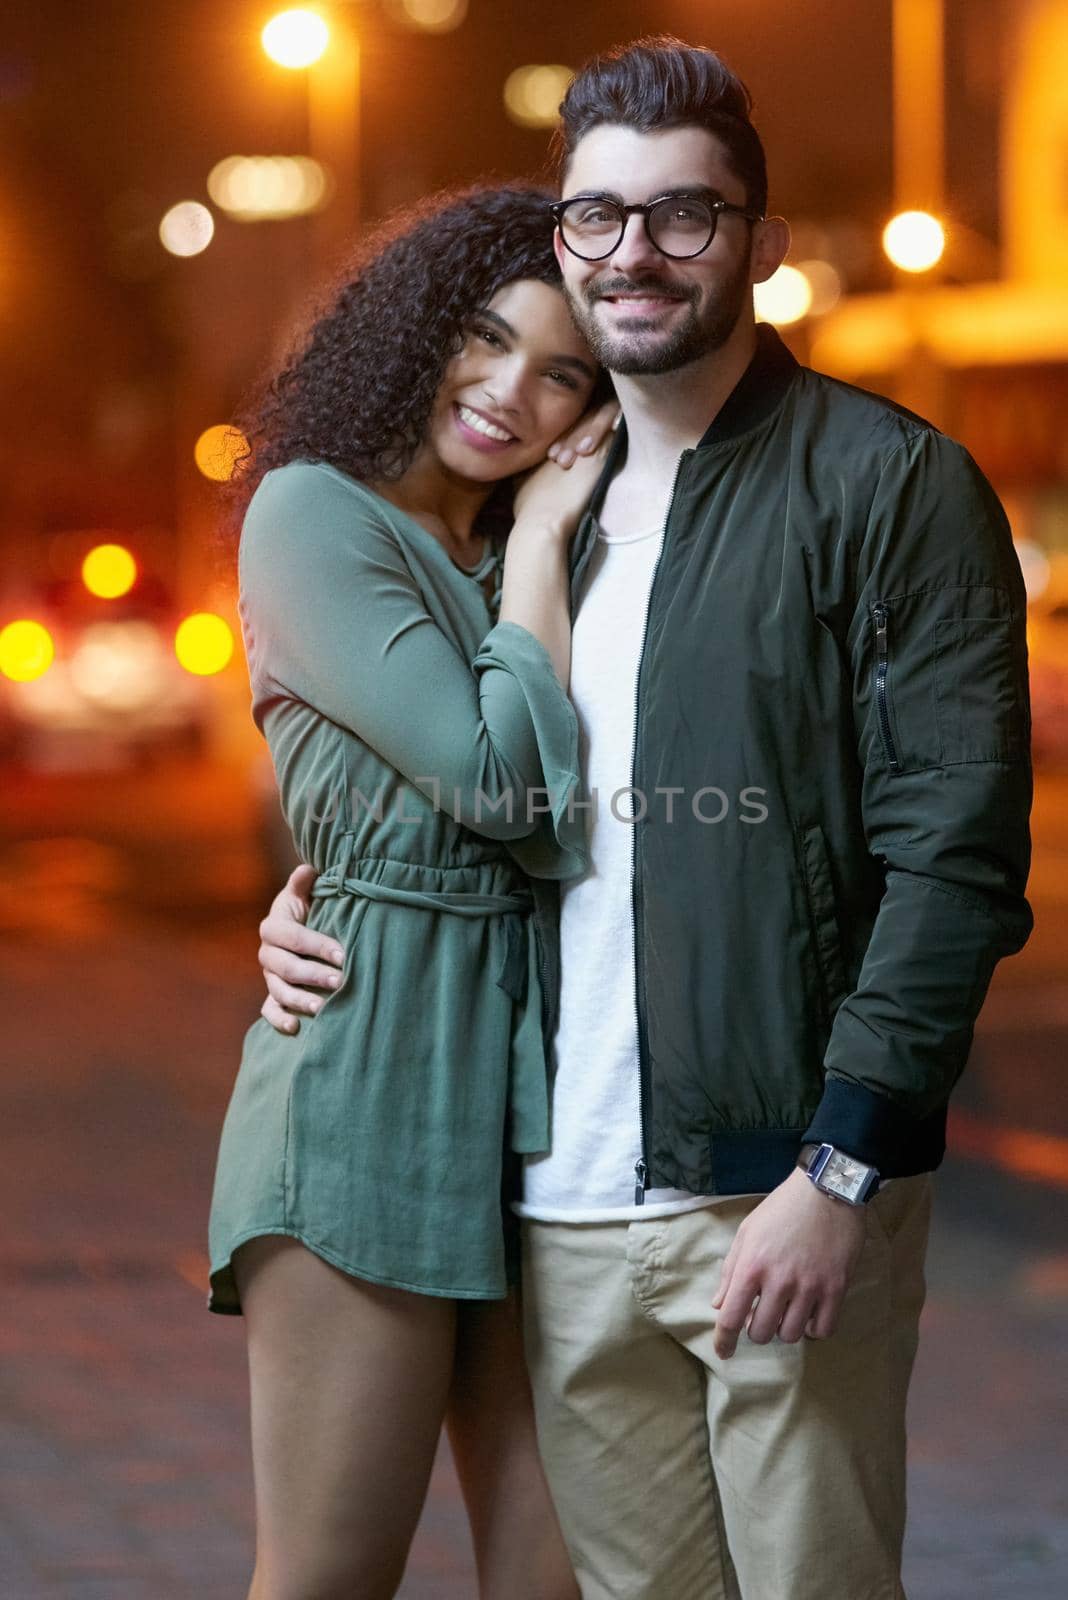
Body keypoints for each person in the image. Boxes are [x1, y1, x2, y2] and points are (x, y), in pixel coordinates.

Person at [255, 37, 1033, 1600]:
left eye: (687, 216)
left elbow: (953, 854)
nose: (638, 253)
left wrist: (846, 1170)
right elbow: (464, 795)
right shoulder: (536, 521)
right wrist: (303, 902)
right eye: (600, 217)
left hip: (775, 1190)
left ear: (762, 240)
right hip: (562, 1208)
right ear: (564, 238)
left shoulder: (886, 482)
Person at [206, 183, 619, 1600]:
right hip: (372, 1081)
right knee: (330, 1579)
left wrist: (541, 552)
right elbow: (507, 794)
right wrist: (548, 557)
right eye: (486, 339)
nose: (513, 392)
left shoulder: (511, 549)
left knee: (562, 1575)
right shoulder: (315, 515)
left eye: (563, 372)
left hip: (552, 1109)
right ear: (416, 331)